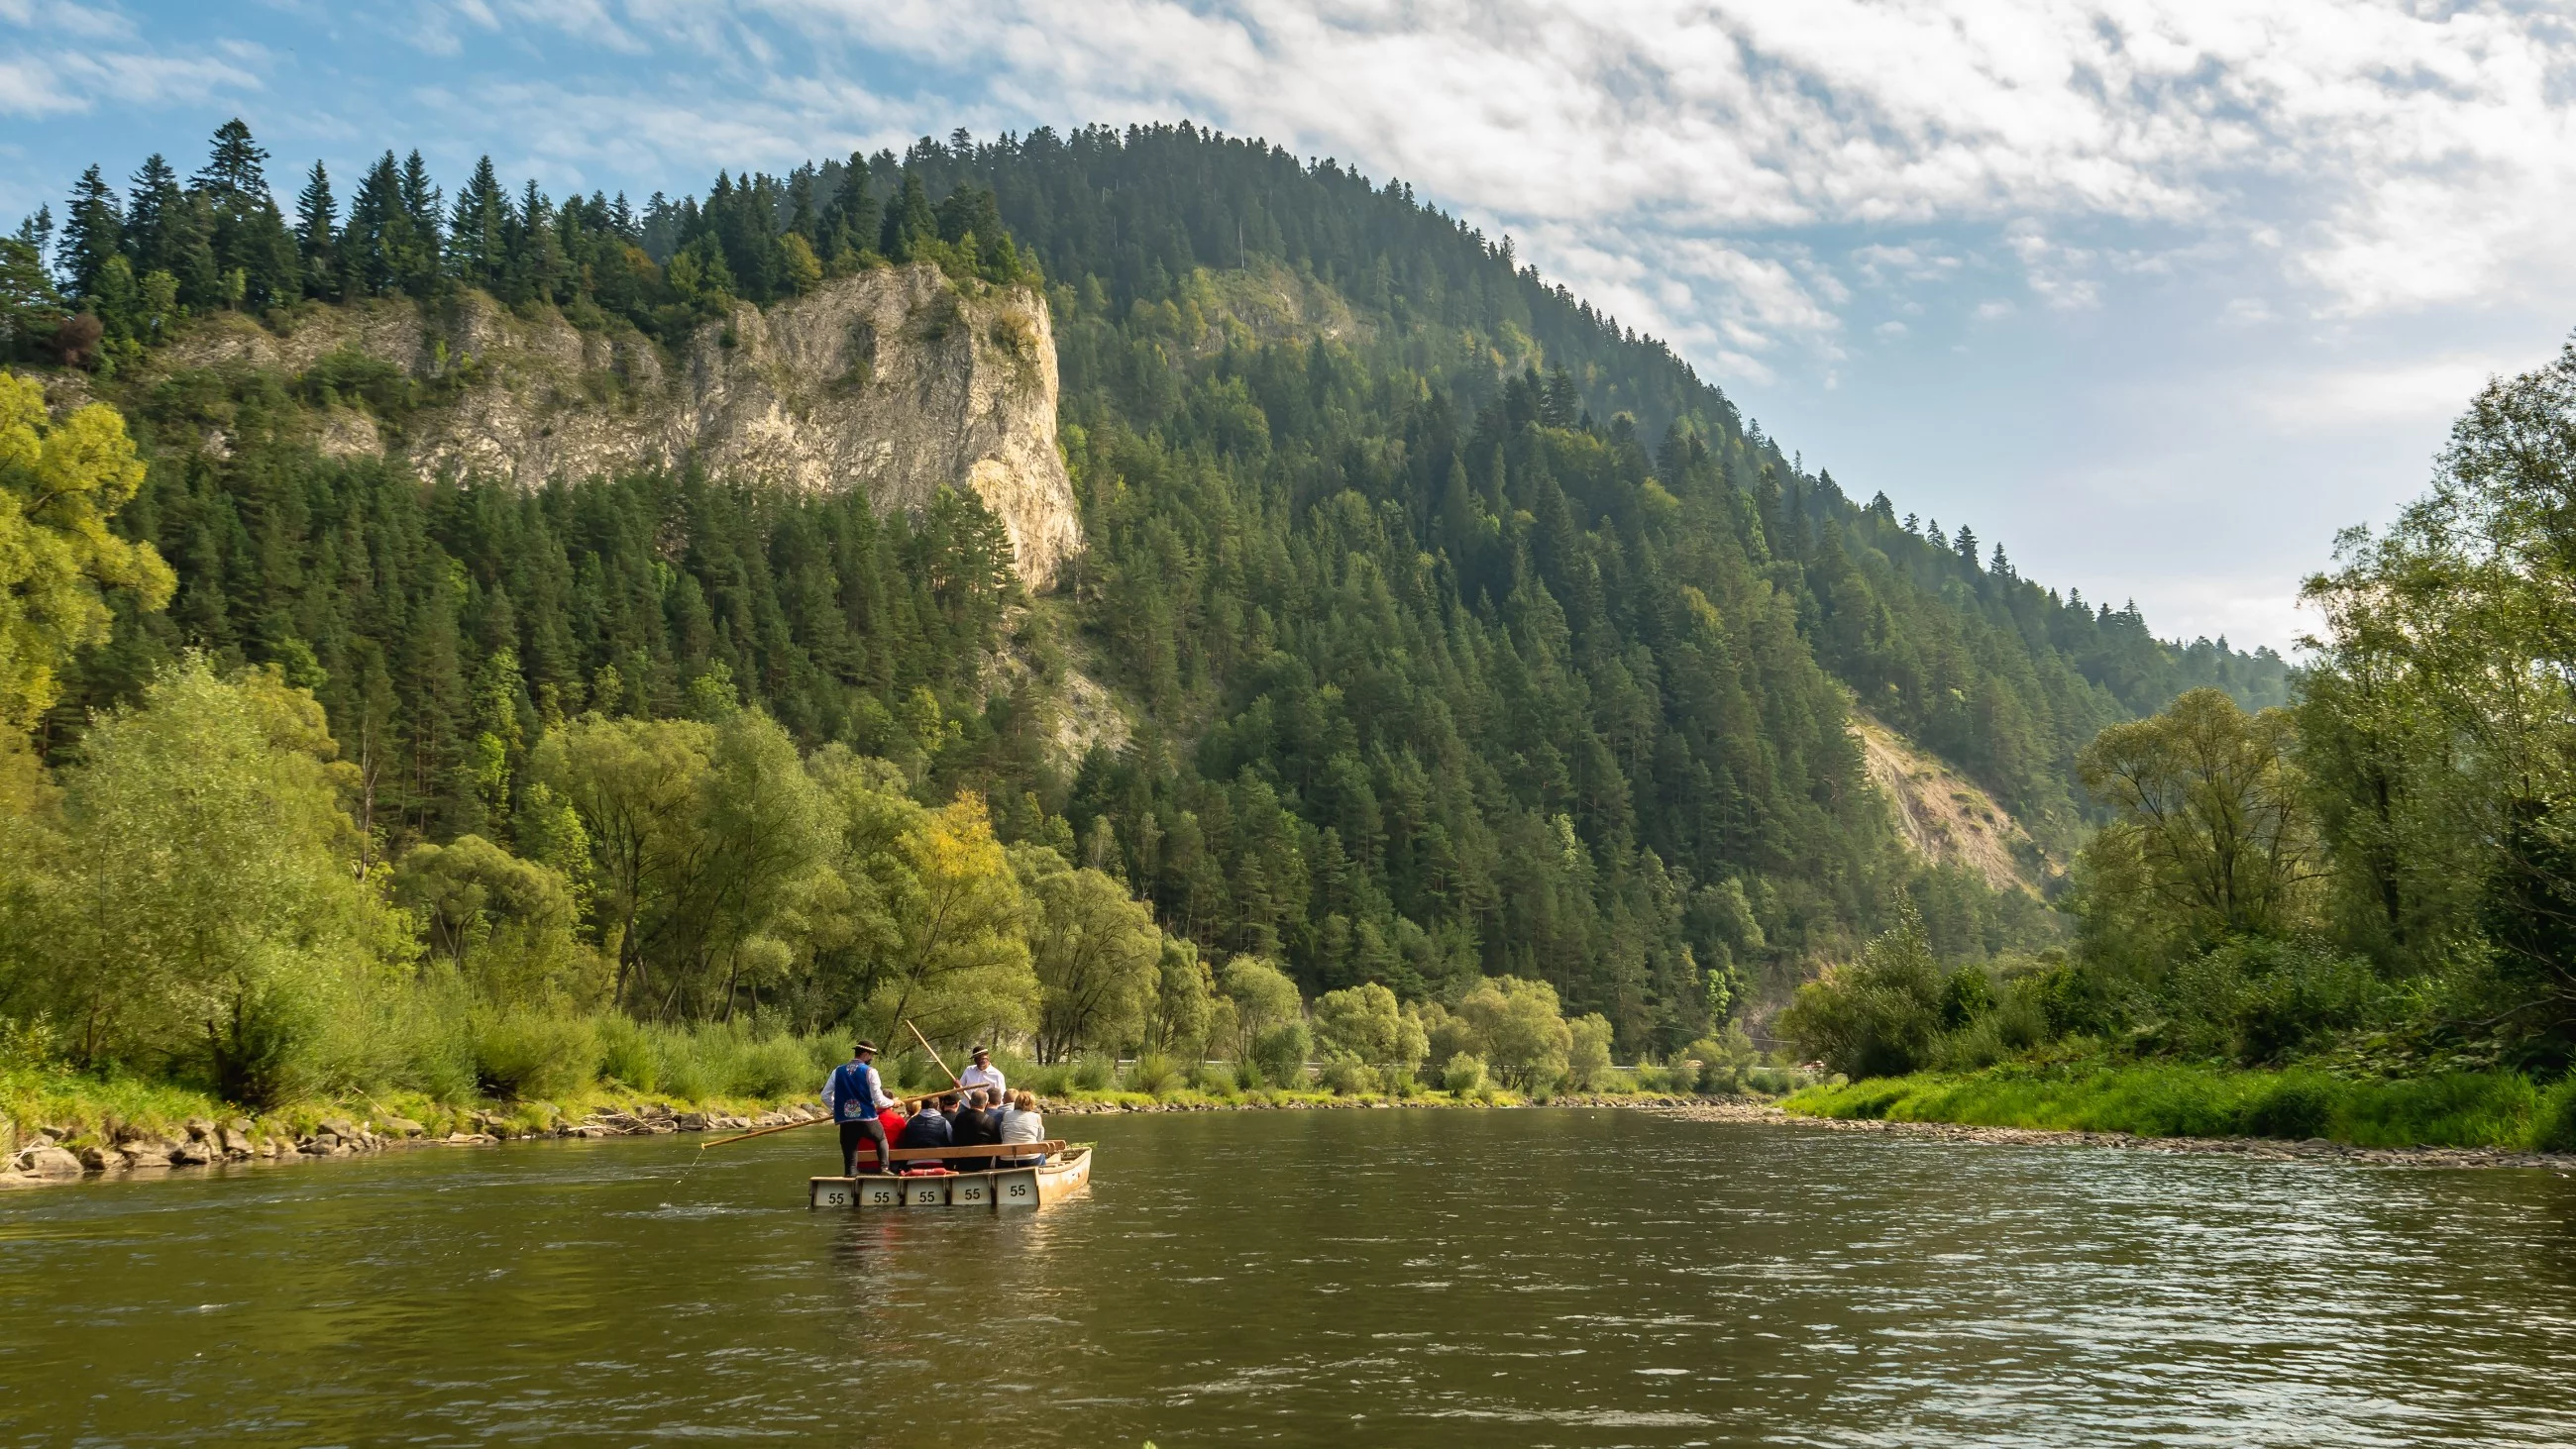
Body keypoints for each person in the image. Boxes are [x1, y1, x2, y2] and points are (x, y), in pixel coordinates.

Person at [821, 1040, 896, 1176]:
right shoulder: (870, 1072)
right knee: (880, 1138)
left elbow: (825, 1096)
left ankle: (850, 1176)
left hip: (846, 1121)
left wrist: (837, 1109)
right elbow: (878, 1099)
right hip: (866, 1118)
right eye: (872, 1055)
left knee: (850, 1155)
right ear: (865, 1054)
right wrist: (892, 1103)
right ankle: (884, 1168)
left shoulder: (838, 1071)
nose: (872, 1058)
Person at [895, 1090, 956, 1169]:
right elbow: (951, 1142)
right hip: (939, 1163)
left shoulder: (910, 1122)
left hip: (913, 1163)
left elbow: (904, 1142)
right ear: (937, 1106)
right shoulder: (944, 1122)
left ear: (922, 1106)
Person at [949, 1087, 1001, 1170]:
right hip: (983, 1166)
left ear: (970, 1102)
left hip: (962, 1165)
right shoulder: (990, 1121)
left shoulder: (959, 1117)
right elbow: (998, 1143)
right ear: (986, 1104)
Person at [995, 1089, 1046, 1167]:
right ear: (1032, 1104)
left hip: (1007, 1159)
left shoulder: (1006, 1115)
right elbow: (1039, 1139)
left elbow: (1002, 1135)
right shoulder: (1036, 1117)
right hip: (1031, 1159)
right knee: (1042, 1155)